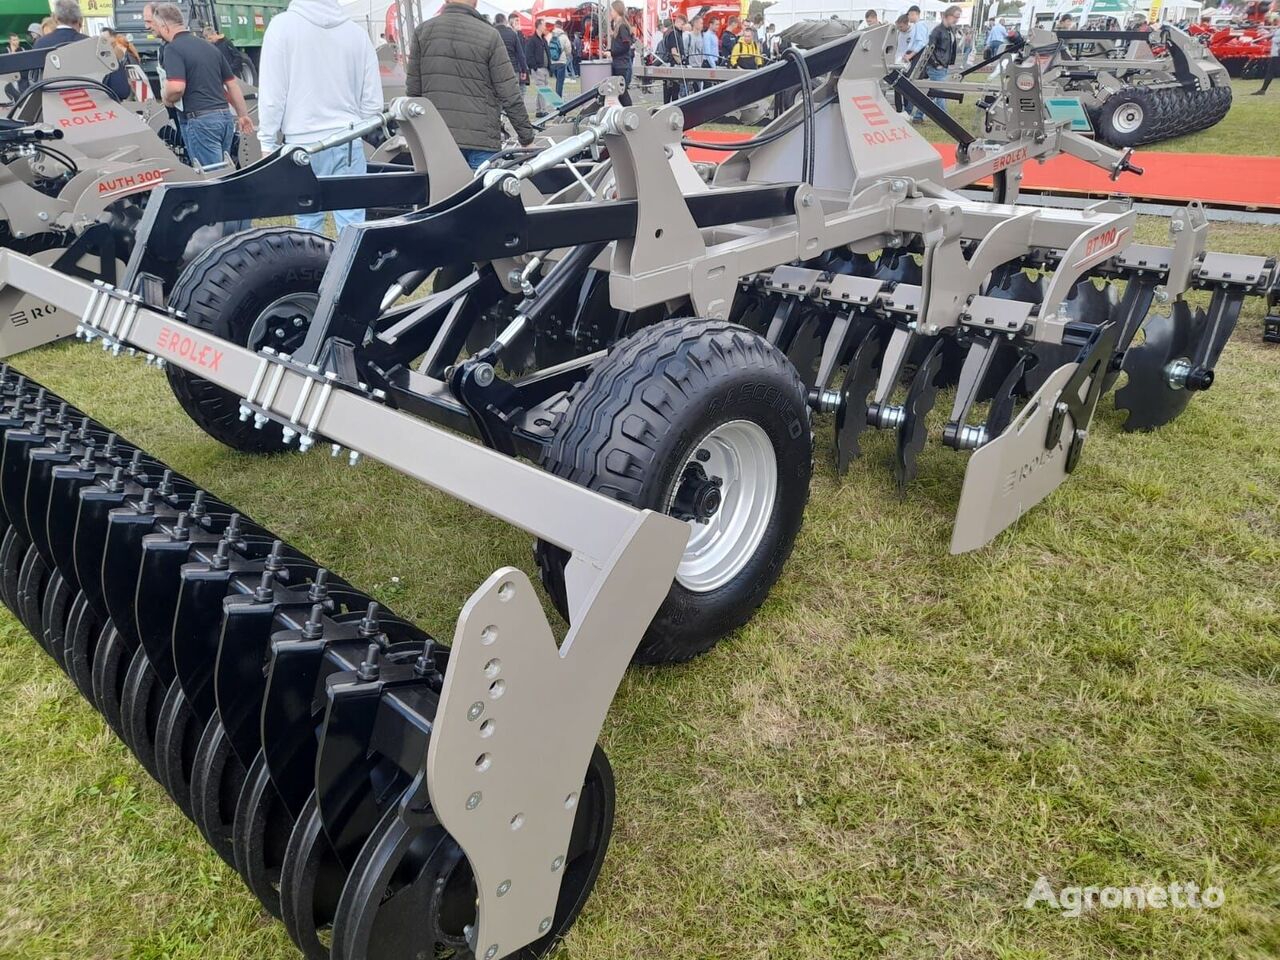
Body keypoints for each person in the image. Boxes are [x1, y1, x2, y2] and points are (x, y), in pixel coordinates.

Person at [256, 0, 379, 232]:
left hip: (301, 142)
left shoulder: (282, 27)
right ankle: (354, 268)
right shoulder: (357, 33)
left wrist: (267, 141)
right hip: (348, 138)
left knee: (307, 227)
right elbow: (372, 103)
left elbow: (272, 95)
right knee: (353, 224)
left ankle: (311, 268)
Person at [405, 0, 533, 170]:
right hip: (482, 139)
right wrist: (527, 137)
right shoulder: (490, 35)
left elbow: (414, 92)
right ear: (475, 2)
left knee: (444, 194)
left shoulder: (422, 32)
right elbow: (509, 92)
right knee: (481, 194)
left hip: (438, 138)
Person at [152, 3, 254, 171]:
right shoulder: (210, 47)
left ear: (164, 26)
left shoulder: (173, 49)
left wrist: (166, 96)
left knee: (211, 177)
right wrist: (243, 115)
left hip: (200, 121)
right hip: (224, 118)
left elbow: (177, 87)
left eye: (155, 26)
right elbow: (232, 84)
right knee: (224, 172)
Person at [925, 5, 961, 113]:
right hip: (937, 67)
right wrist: (936, 64)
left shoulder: (950, 30)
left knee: (934, 92)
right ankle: (945, 117)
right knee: (940, 94)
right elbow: (929, 50)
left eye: (958, 17)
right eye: (956, 16)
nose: (957, 19)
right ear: (947, 16)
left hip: (942, 66)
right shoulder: (937, 31)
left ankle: (918, 116)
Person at [609, 0, 633, 106]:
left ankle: (630, 111)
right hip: (619, 62)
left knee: (621, 91)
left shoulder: (622, 26)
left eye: (612, 10)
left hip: (622, 64)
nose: (610, 13)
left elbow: (626, 45)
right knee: (619, 91)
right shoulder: (619, 25)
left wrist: (612, 53)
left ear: (616, 11)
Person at [525, 18, 551, 115]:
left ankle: (539, 110)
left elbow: (547, 53)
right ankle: (543, 110)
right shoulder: (532, 40)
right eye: (544, 25)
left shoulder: (543, 40)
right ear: (539, 26)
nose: (545, 27)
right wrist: (535, 67)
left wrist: (549, 66)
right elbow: (529, 55)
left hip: (545, 68)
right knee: (543, 90)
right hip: (538, 69)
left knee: (543, 90)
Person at [493, 13, 528, 84]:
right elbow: (520, 54)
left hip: (497, 70)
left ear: (495, 21)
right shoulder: (512, 34)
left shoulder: (492, 33)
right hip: (513, 69)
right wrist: (524, 70)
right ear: (505, 21)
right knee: (514, 93)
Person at [661, 15, 686, 102]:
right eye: (682, 24)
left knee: (668, 94)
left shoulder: (669, 32)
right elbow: (674, 51)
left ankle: (666, 110)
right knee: (674, 94)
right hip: (673, 66)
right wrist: (681, 64)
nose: (683, 27)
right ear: (678, 22)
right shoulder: (673, 33)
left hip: (668, 64)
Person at [1253, 17, 1280, 93]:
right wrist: (1256, 40)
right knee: (1270, 72)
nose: (1276, 23)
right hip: (1275, 54)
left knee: (1271, 72)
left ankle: (1263, 90)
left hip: (1277, 54)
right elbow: (1269, 36)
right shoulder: (1277, 30)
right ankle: (1263, 90)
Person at [549, 21, 569, 96]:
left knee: (557, 80)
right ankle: (558, 97)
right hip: (561, 61)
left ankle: (557, 95)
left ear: (555, 26)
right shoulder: (564, 37)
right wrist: (566, 55)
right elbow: (568, 49)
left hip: (553, 62)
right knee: (560, 81)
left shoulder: (550, 35)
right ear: (562, 27)